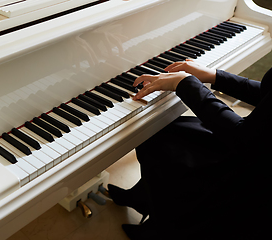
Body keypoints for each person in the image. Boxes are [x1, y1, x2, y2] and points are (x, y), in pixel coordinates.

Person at [107, 60, 272, 240]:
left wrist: (185, 84)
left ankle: (161, 227)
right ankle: (142, 197)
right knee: (160, 131)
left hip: (255, 169)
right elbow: (267, 93)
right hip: (258, 141)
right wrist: (215, 76)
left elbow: (242, 138)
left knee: (157, 137)